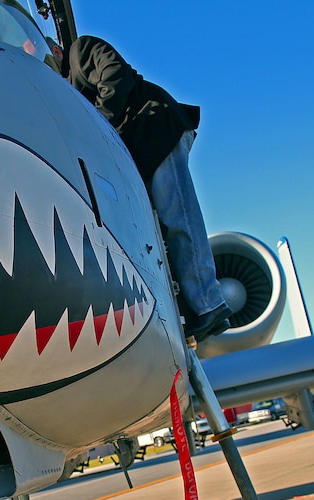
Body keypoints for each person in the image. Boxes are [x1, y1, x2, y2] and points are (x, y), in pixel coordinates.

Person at [49, 36, 231, 342]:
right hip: (143, 147)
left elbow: (115, 73)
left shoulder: (81, 49)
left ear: (56, 50)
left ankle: (209, 302)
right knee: (164, 228)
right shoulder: (65, 84)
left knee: (179, 216)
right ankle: (195, 307)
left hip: (157, 128)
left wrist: (100, 125)